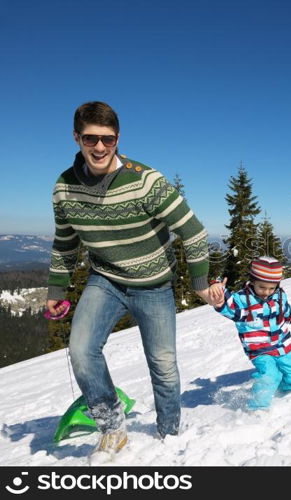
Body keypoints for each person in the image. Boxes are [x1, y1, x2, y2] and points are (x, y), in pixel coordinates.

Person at [46, 101, 213, 463]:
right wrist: (56, 290)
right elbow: (65, 242)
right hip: (104, 280)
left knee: (163, 364)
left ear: (118, 139)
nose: (100, 147)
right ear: (77, 138)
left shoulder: (145, 180)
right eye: (91, 138)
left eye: (108, 139)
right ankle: (111, 427)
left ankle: (169, 432)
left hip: (154, 286)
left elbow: (195, 233)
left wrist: (200, 283)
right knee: (81, 350)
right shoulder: (64, 188)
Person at [208, 257, 291, 409]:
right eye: (262, 287)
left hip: (283, 344)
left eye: (271, 288)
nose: (266, 292)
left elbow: (285, 312)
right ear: (253, 281)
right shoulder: (242, 299)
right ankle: (257, 408)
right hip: (259, 349)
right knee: (269, 376)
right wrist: (217, 287)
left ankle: (277, 392)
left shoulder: (280, 295)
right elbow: (226, 306)